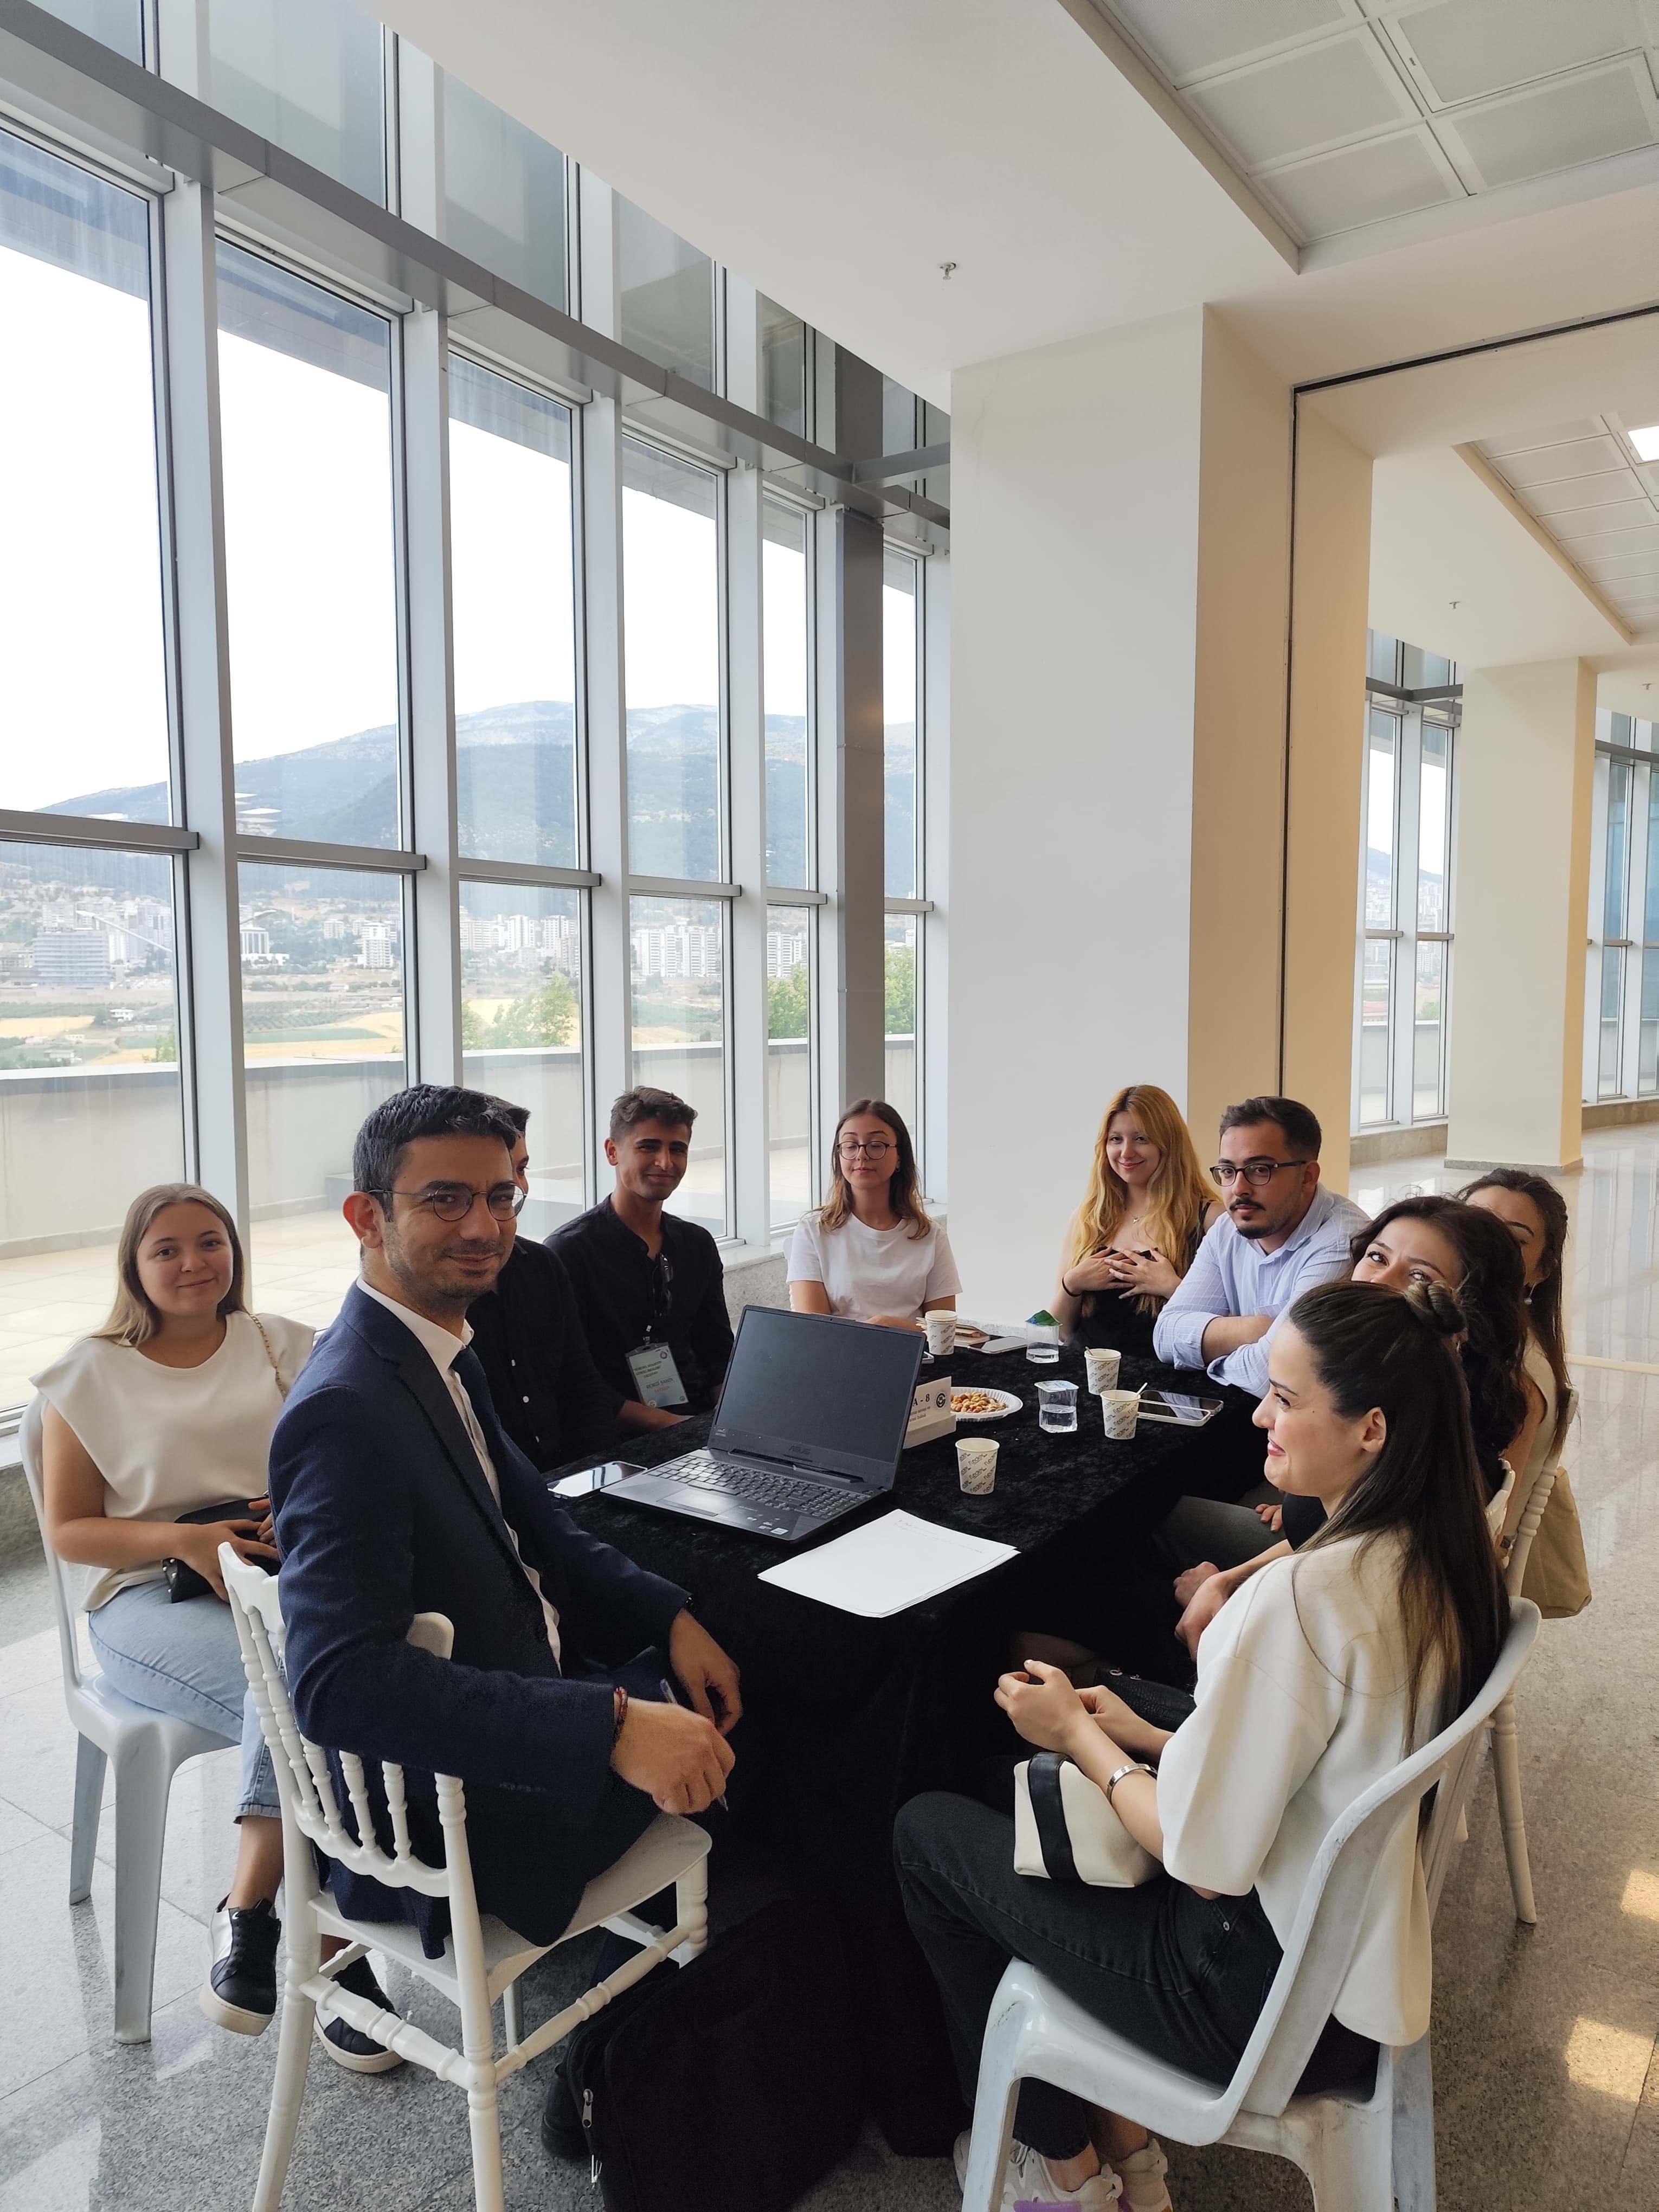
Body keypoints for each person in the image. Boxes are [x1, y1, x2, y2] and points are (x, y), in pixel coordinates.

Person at [896, 1279, 1508, 2211]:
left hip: (1245, 1993)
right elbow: (1308, 1756)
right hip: (1346, 1968)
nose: (1260, 1415)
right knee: (1005, 1777)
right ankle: (1122, 2142)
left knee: (926, 1833)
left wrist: (1081, 1737)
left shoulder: (1304, 1602)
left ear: (1372, 1430)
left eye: (1286, 1399)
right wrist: (1143, 1732)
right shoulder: (1438, 1557)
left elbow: (1204, 1862)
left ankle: (1058, 2169)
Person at [268, 1085, 742, 2140]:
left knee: (735, 1660)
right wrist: (611, 1727)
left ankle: (648, 2023)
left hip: (524, 1705)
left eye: (501, 1197)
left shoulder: (437, 1349)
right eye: (445, 1200)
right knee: (783, 1733)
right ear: (366, 1217)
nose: (484, 1226)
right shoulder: (347, 1409)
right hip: (465, 1827)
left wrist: (669, 1616)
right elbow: (340, 1685)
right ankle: (639, 2061)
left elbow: (546, 1531)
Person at [29, 1187, 353, 2055]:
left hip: (278, 1582)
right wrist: (187, 1539)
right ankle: (289, 1925)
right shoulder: (88, 1374)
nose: (192, 1263)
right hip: (146, 1597)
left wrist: (300, 1502)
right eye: (166, 1250)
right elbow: (69, 1532)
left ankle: (292, 1925)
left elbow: (340, 1457)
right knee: (300, 1687)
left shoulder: (279, 1343)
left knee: (337, 1670)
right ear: (133, 1266)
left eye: (210, 1242)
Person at [1168, 1195, 1531, 1660]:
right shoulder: (1398, 1413)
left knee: (1139, 1531)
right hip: (1302, 1570)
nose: (1378, 1280)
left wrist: (1238, 1595)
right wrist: (1230, 1579)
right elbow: (1327, 1535)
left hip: (1299, 1627)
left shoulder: (1414, 1438)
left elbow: (1331, 1582)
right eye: (1377, 1256)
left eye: (1420, 1276)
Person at [1151, 1096, 1367, 1400]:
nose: (1239, 1188)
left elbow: (1265, 1374)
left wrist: (1210, 1352)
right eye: (1228, 1171)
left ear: (1307, 1176)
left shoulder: (1345, 1241)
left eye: (1260, 1169)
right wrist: (1257, 1329)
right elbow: (1165, 1336)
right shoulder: (1227, 1229)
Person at [551, 1087, 735, 1431]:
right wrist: (677, 1428)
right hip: (612, 1436)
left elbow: (718, 1353)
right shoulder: (570, 1251)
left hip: (697, 1422)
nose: (665, 1162)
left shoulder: (697, 1244)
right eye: (648, 1147)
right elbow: (570, 1377)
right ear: (612, 1152)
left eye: (677, 1149)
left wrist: (729, 1423)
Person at [465, 1100, 625, 1471]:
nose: (516, 1184)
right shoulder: (443, 1287)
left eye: (521, 1168)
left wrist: (601, 1477)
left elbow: (582, 1387)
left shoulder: (542, 1266)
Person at [1460, 1169, 1588, 1601]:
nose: (1486, 1248)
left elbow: (1487, 1532)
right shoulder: (1469, 1337)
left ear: (1543, 1270)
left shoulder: (1514, 1372)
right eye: (1474, 1226)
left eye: (1514, 1240)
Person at [1051, 1086, 1220, 1362]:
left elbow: (1230, 1330)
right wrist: (1073, 1283)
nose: (1126, 1152)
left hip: (1166, 1384)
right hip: (1085, 1378)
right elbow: (1060, 1331)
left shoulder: (1211, 1220)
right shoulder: (1086, 1217)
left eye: (1141, 1138)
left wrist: (1173, 1288)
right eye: (1116, 1139)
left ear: (1169, 1143)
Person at [787, 1098, 959, 1329]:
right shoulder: (813, 1230)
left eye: (876, 1145)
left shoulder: (931, 1236)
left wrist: (891, 1327)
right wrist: (876, 1333)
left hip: (912, 1352)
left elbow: (944, 1332)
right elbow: (813, 1331)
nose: (862, 1155)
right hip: (839, 1352)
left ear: (900, 1157)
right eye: (850, 1146)